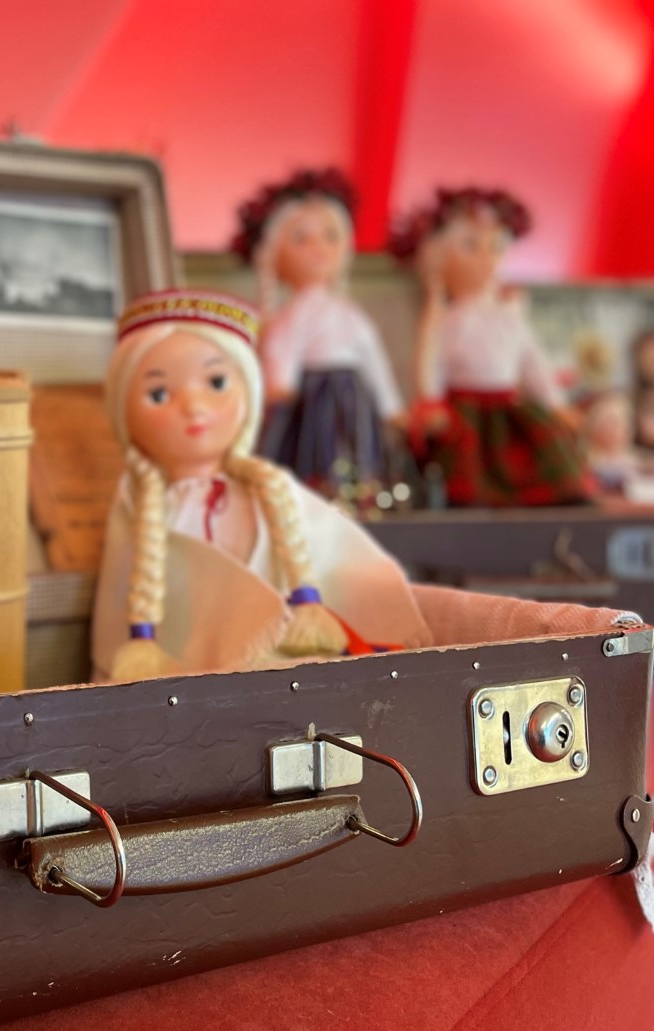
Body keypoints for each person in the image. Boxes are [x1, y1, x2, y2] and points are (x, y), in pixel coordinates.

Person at [91, 289, 430, 683]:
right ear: (123, 411)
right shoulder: (139, 504)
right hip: (185, 675)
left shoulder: (269, 489)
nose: (194, 407)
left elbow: (344, 565)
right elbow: (119, 606)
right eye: (159, 394)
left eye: (216, 382)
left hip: (282, 665)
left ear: (248, 392)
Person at [391, 187, 592, 507]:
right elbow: (432, 362)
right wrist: (430, 402)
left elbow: (533, 362)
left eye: (495, 247)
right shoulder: (446, 319)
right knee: (464, 472)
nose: (486, 257)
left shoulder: (509, 316)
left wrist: (555, 403)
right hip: (465, 414)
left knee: (549, 450)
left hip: (511, 410)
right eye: (471, 246)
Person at [232, 168, 404, 494]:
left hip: (354, 395)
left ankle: (359, 490)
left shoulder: (350, 313)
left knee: (359, 451)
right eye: (301, 238)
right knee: (312, 454)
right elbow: (282, 349)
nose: (318, 247)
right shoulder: (293, 314)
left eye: (330, 236)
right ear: (274, 253)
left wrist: (390, 406)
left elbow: (373, 358)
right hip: (312, 398)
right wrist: (280, 384)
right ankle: (322, 490)